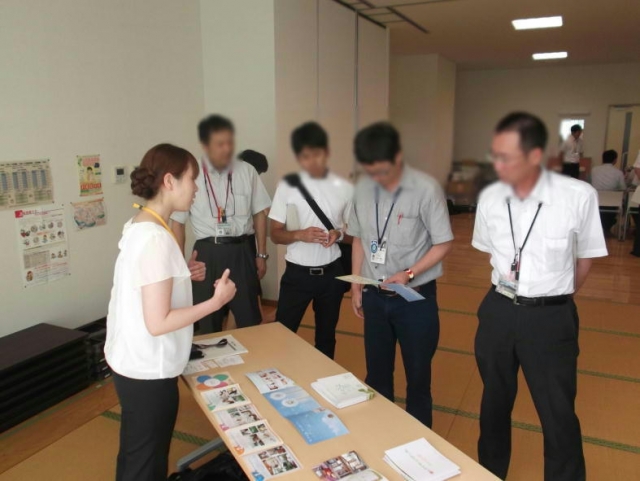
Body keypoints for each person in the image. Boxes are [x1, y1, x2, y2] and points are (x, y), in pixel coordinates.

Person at [472, 112, 607, 481]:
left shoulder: (579, 196)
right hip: (498, 310)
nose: (498, 165)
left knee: (558, 411)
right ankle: (489, 471)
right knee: (493, 403)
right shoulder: (489, 198)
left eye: (507, 156)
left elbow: (585, 260)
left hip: (550, 317)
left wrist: (554, 296)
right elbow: (492, 254)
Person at [105, 144, 236, 481]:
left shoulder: (141, 223)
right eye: (191, 179)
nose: (196, 188)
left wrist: (182, 273)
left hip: (132, 362)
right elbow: (158, 322)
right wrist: (215, 303)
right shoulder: (155, 239)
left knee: (137, 453)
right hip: (148, 370)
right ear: (169, 181)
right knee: (145, 463)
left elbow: (146, 285)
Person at [347, 122, 453, 428]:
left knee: (418, 378)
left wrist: (409, 273)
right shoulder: (362, 190)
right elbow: (357, 239)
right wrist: (356, 287)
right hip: (374, 295)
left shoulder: (426, 188)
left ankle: (419, 446)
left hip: (415, 299)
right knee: (377, 375)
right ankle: (380, 433)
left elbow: (443, 242)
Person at [171, 115, 271, 333]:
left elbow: (260, 214)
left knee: (249, 318)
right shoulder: (191, 174)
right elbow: (177, 224)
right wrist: (181, 266)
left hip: (242, 250)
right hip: (207, 253)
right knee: (208, 320)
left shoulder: (247, 171)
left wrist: (261, 254)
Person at [269, 122, 353, 359]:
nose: (311, 161)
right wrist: (299, 235)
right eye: (305, 156)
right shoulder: (287, 186)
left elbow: (355, 232)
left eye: (316, 154)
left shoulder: (345, 188)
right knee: (283, 331)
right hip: (297, 275)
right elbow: (274, 233)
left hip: (332, 274)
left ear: (326, 153)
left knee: (327, 336)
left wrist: (339, 234)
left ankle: (324, 384)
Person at [591, 149, 626, 235]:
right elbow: (623, 188)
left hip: (597, 201)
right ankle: (608, 228)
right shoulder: (618, 173)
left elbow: (590, 183)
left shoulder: (594, 170)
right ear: (615, 160)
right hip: (612, 203)